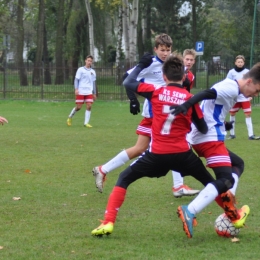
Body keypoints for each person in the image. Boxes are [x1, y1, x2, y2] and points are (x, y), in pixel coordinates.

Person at [91, 53, 218, 237]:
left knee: (124, 178)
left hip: (157, 153)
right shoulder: (190, 99)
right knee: (211, 183)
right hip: (183, 154)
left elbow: (128, 83)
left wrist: (141, 66)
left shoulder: (155, 92)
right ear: (184, 77)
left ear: (164, 77)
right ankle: (234, 215)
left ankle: (108, 222)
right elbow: (204, 129)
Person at [92, 35, 199, 197]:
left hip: (165, 115)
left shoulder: (171, 66)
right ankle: (177, 186)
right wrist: (133, 99)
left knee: (142, 148)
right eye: (162, 50)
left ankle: (102, 169)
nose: (165, 53)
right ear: (155, 49)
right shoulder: (151, 64)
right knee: (172, 148)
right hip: (155, 115)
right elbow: (126, 78)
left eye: (168, 50)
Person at [169, 63, 260, 238]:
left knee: (238, 164)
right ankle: (191, 210)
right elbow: (205, 94)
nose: (255, 95)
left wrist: (222, 122)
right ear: (249, 81)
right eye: (256, 90)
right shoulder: (231, 87)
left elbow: (209, 104)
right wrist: (186, 105)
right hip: (209, 139)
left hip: (209, 137)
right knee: (226, 179)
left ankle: (229, 200)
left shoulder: (232, 87)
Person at [226, 55, 259, 140]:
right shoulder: (231, 72)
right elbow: (227, 83)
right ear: (235, 63)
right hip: (235, 97)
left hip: (245, 97)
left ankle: (251, 135)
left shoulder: (248, 72)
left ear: (244, 63)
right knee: (232, 114)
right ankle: (232, 134)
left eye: (241, 62)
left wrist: (250, 96)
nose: (240, 63)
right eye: (238, 62)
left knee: (248, 114)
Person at [67, 55, 97, 127]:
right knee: (79, 107)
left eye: (91, 61)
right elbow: (76, 80)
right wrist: (76, 89)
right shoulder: (80, 70)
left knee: (89, 106)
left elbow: (93, 83)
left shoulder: (93, 72)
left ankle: (86, 123)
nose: (89, 62)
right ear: (85, 60)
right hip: (81, 91)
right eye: (88, 60)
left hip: (89, 91)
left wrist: (94, 93)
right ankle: (70, 117)